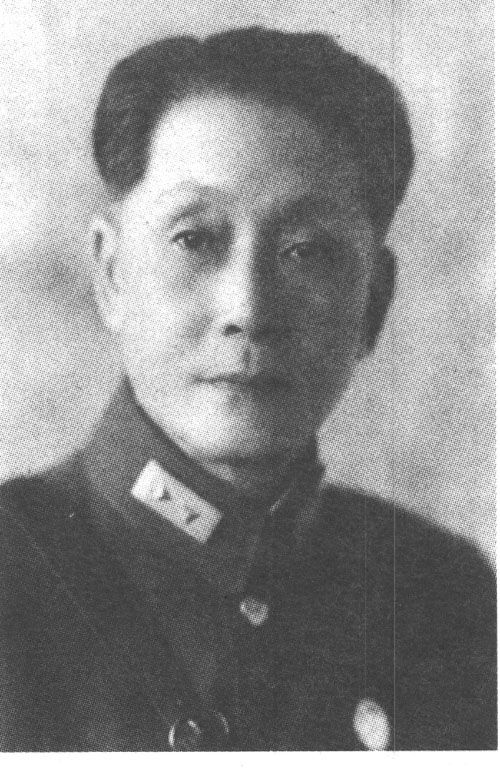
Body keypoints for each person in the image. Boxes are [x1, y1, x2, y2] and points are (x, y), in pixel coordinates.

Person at [0, 26, 495, 752]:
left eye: (308, 250)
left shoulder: (441, 598)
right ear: (110, 274)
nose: (250, 308)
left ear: (373, 303)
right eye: (196, 238)